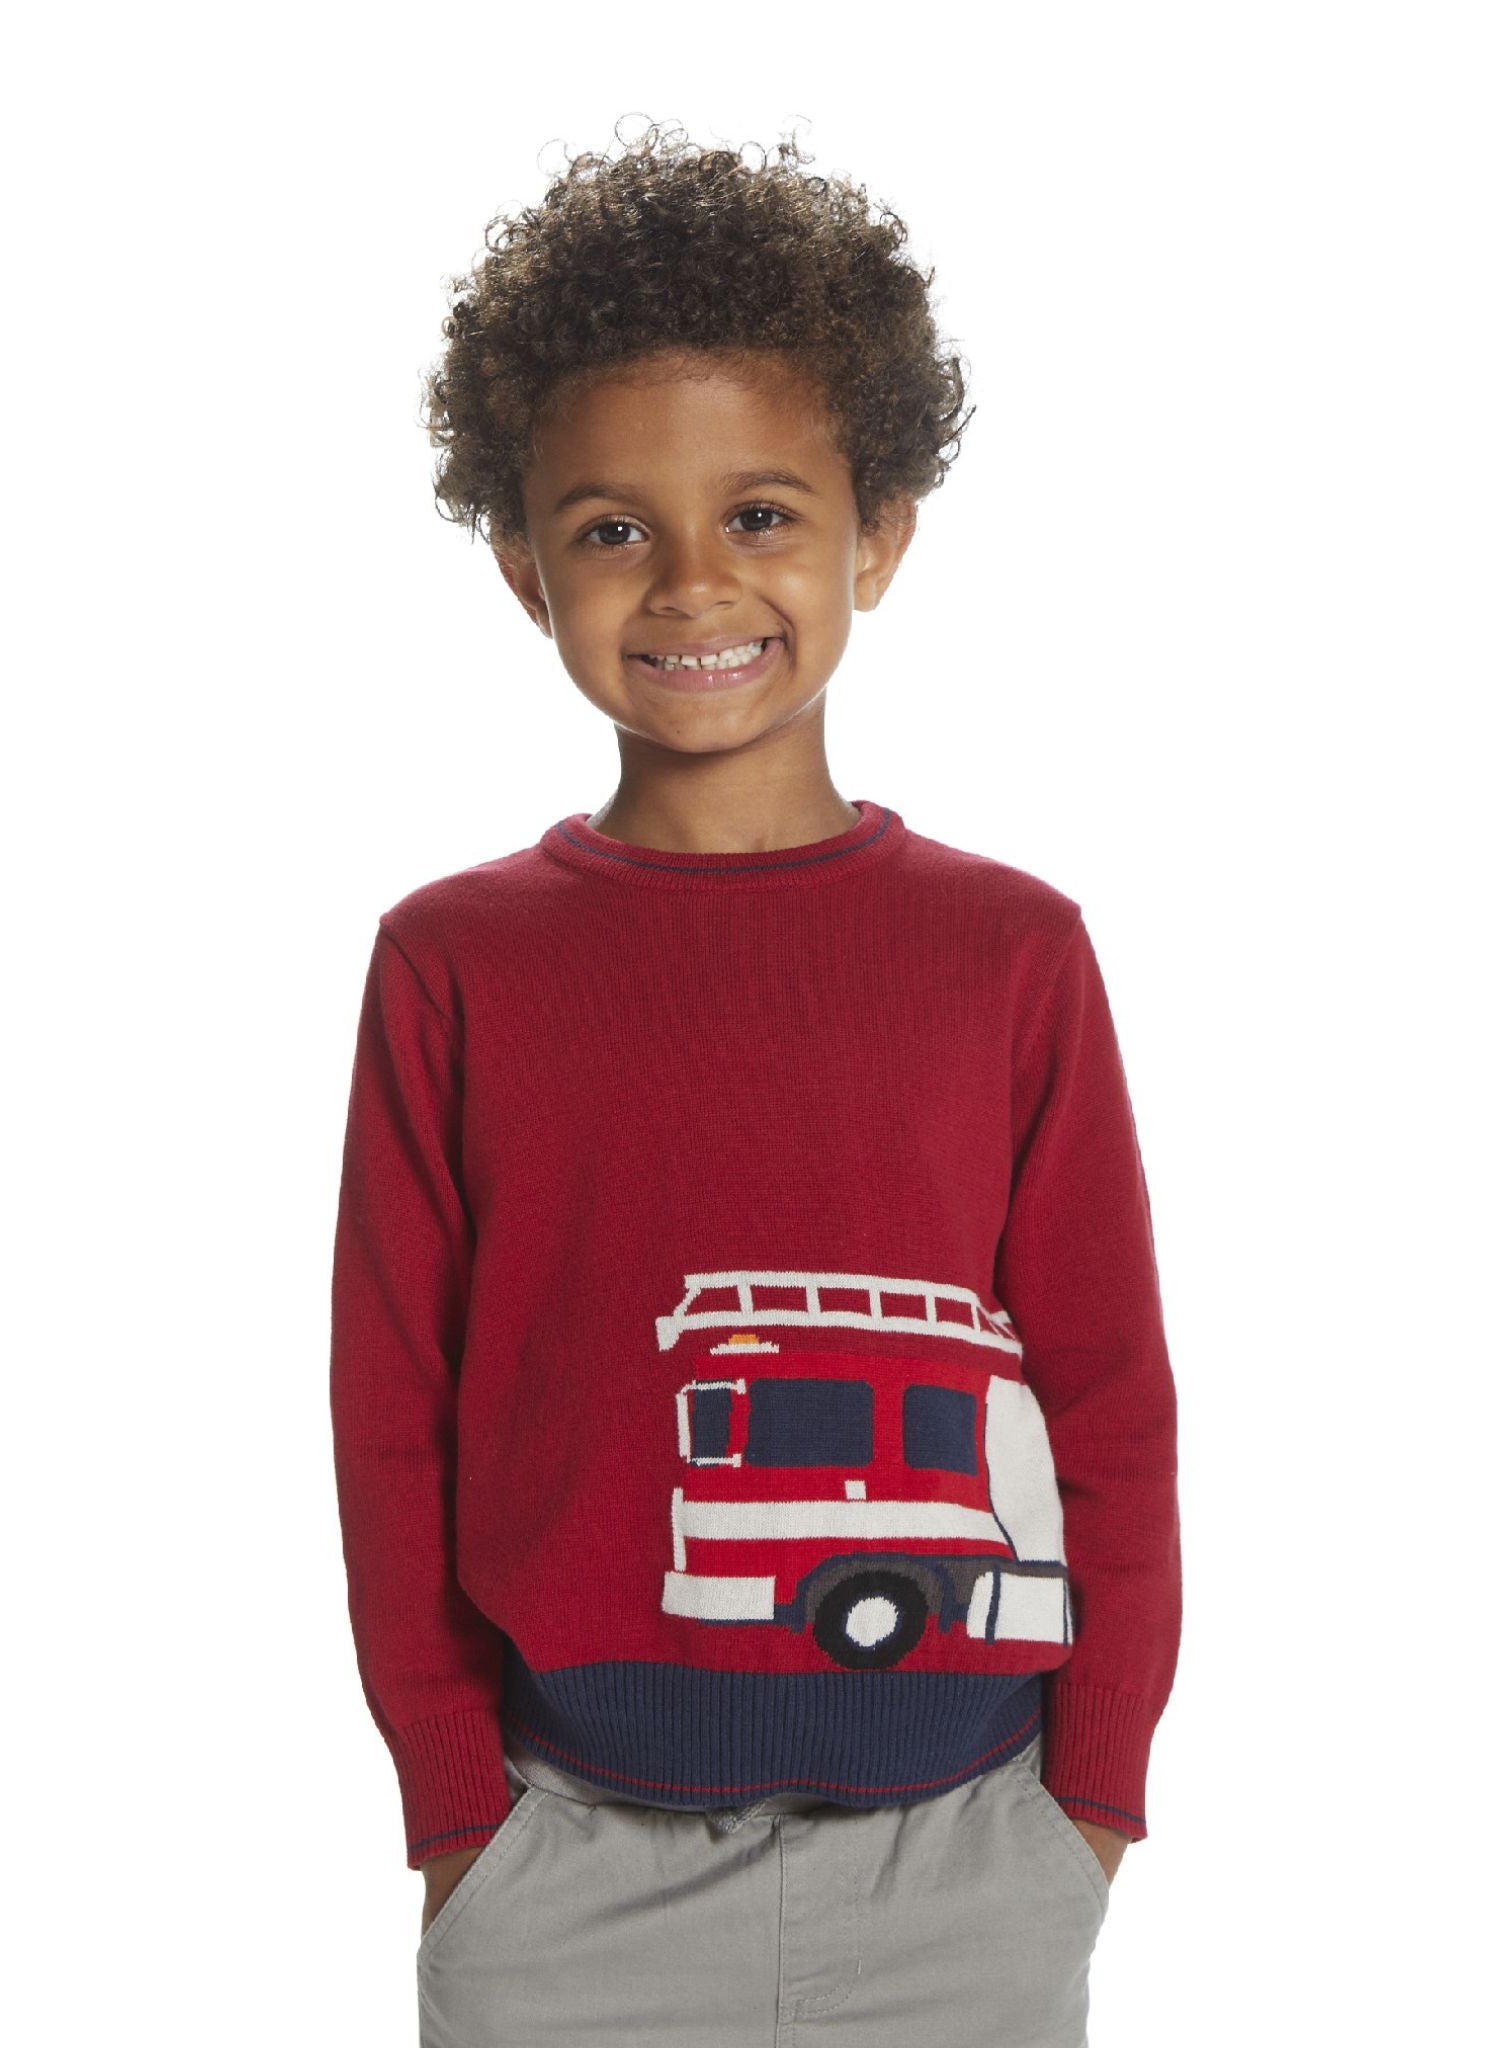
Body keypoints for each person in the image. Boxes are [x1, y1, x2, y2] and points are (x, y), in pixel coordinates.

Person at [329, 118, 1182, 2047]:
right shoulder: (455, 962)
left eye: (765, 513)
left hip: (970, 1865)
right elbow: (393, 1413)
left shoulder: (1012, 950)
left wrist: (1093, 1802)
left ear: (879, 534)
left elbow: (1109, 1397)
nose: (694, 582)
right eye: (613, 528)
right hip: (565, 1871)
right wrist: (457, 1815)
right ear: (523, 569)